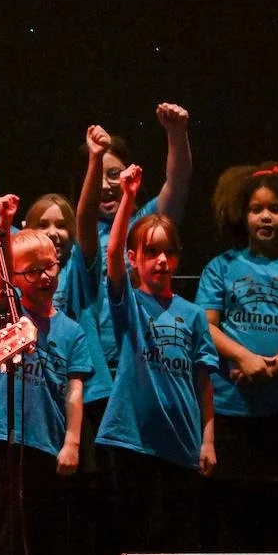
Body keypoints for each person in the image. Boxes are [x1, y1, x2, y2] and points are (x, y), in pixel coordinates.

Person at [197, 163, 278, 552]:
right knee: (231, 512)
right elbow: (206, 325)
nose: (266, 216)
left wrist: (271, 367)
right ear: (243, 214)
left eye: (274, 209)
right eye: (257, 209)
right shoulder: (221, 267)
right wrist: (245, 357)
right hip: (229, 410)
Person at [0, 229, 93, 555]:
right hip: (7, 439)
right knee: (4, 529)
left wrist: (73, 443)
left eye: (51, 266)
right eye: (33, 270)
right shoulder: (9, 319)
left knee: (45, 534)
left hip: (48, 445)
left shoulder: (71, 331)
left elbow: (75, 391)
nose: (45, 275)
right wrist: (4, 222)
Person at [95, 165, 218, 555]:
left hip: (181, 443)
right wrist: (129, 197)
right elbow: (111, 255)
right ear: (135, 258)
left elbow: (203, 380)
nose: (161, 260)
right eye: (151, 252)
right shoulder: (131, 304)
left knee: (176, 539)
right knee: (133, 536)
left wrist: (208, 440)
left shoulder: (193, 314)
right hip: (132, 441)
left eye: (169, 251)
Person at [75, 104, 193, 374]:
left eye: (114, 174)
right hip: (97, 365)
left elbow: (177, 184)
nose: (105, 185)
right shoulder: (82, 233)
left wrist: (176, 133)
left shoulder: (144, 224)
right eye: (97, 177)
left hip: (145, 355)